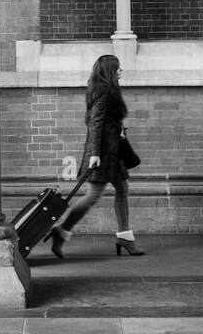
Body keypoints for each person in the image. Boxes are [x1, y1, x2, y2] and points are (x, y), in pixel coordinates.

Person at [48, 54, 145, 258]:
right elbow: (95, 122)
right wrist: (94, 153)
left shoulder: (107, 89)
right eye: (117, 68)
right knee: (93, 195)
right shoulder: (104, 91)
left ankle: (125, 237)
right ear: (110, 71)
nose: (121, 71)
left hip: (113, 151)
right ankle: (61, 230)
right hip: (103, 153)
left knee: (123, 188)